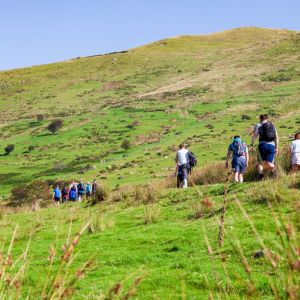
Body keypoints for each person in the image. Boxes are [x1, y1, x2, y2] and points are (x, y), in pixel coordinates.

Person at [250, 114, 279, 180]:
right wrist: (276, 147)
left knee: (260, 163)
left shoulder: (258, 125)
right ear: (267, 118)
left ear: (260, 119)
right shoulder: (272, 125)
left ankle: (261, 178)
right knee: (270, 163)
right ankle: (275, 175)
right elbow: (276, 137)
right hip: (272, 145)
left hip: (262, 145)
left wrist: (251, 145)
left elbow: (254, 136)